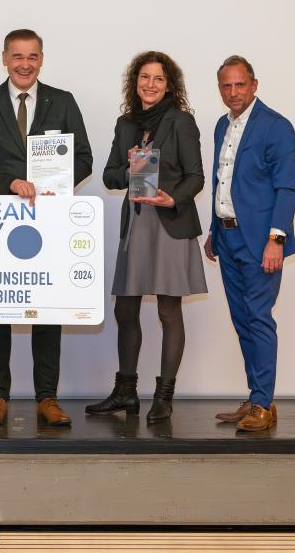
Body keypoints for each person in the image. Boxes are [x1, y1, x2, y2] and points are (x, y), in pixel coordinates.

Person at [0, 28, 93, 427]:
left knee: (46, 309)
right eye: (17, 56)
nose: (24, 64)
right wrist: (10, 183)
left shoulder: (63, 101)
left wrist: (56, 185)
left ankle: (47, 398)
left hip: (48, 220)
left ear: (41, 59)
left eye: (32, 56)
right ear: (4, 58)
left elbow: (84, 158)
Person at [85, 51, 207, 423]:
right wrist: (130, 167)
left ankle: (164, 396)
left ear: (169, 85)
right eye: (144, 77)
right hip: (136, 224)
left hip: (170, 221)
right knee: (124, 309)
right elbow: (109, 176)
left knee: (169, 311)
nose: (150, 84)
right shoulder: (125, 123)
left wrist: (174, 197)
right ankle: (126, 392)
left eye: (158, 78)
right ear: (134, 82)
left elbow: (196, 176)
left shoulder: (181, 122)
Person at [205, 56, 295, 432]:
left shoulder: (276, 126)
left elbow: (287, 189)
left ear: (254, 85)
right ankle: (257, 398)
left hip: (261, 241)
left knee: (258, 318)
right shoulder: (222, 125)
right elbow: (222, 181)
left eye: (240, 84)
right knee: (242, 319)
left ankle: (262, 402)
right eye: (226, 86)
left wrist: (276, 239)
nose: (233, 92)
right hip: (227, 237)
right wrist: (214, 229)